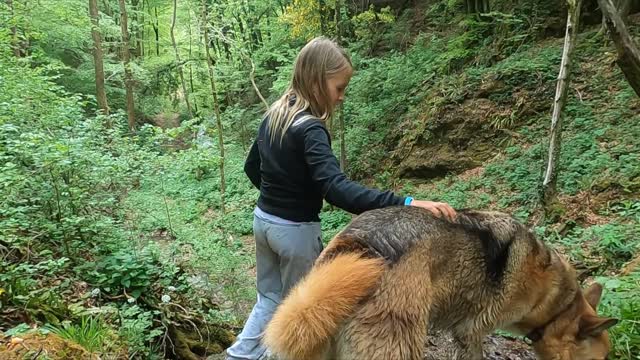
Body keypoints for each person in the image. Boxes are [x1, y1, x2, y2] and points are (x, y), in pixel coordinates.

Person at [224, 37, 456, 360]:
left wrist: (278, 195)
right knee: (303, 314)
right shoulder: (310, 129)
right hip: (295, 233)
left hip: (263, 223)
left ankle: (239, 355)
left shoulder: (275, 115)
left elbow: (252, 168)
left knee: (269, 299)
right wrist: (404, 203)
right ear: (318, 82)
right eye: (339, 88)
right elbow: (336, 188)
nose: (342, 96)